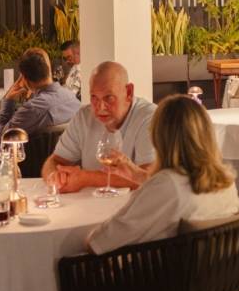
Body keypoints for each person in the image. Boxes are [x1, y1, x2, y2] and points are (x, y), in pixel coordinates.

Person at [86, 95, 239, 254]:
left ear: (158, 136)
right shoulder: (227, 181)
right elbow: (176, 190)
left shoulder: (167, 185)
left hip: (162, 276)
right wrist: (136, 173)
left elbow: (98, 243)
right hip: (215, 274)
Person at [41, 61, 157, 193]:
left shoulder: (150, 117)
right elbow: (54, 161)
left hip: (136, 208)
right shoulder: (84, 117)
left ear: (129, 92)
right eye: (94, 97)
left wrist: (85, 178)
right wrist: (55, 176)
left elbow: (150, 179)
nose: (100, 108)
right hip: (91, 207)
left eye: (109, 97)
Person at [0, 48, 80, 141]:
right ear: (48, 70)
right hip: (69, 154)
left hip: (35, 155)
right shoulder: (72, 98)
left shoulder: (31, 109)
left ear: (24, 78)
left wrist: (8, 100)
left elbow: (2, 138)